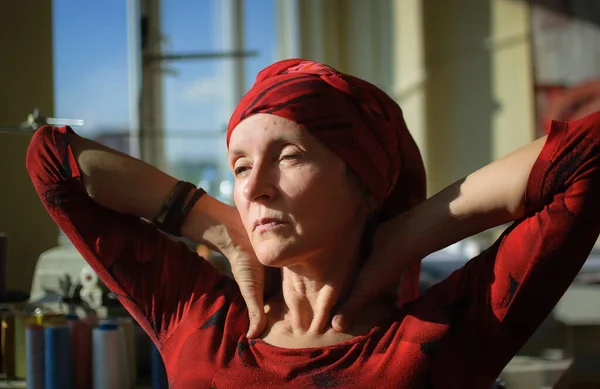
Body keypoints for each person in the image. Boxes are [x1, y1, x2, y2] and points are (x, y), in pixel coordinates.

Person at [26, 59, 600, 388]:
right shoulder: (201, 316)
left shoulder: (436, 335)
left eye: (290, 155)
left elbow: (590, 153)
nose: (253, 186)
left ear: (363, 185)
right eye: (241, 164)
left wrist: (405, 236)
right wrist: (219, 227)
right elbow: (53, 162)